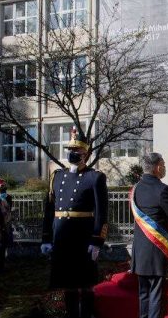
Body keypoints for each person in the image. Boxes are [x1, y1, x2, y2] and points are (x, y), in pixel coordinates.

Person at [41, 127, 108, 318]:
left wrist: (97, 241)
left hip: (83, 239)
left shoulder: (95, 178)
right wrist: (46, 238)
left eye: (77, 151)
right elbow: (49, 209)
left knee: (86, 285)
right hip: (61, 238)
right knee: (68, 285)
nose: (73, 153)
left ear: (86, 154)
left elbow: (102, 212)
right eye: (70, 150)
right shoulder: (57, 176)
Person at [130, 153, 168, 318]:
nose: (165, 167)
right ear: (158, 167)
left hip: (140, 251)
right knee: (156, 295)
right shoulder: (163, 190)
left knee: (143, 294)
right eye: (163, 164)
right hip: (156, 250)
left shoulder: (135, 189)